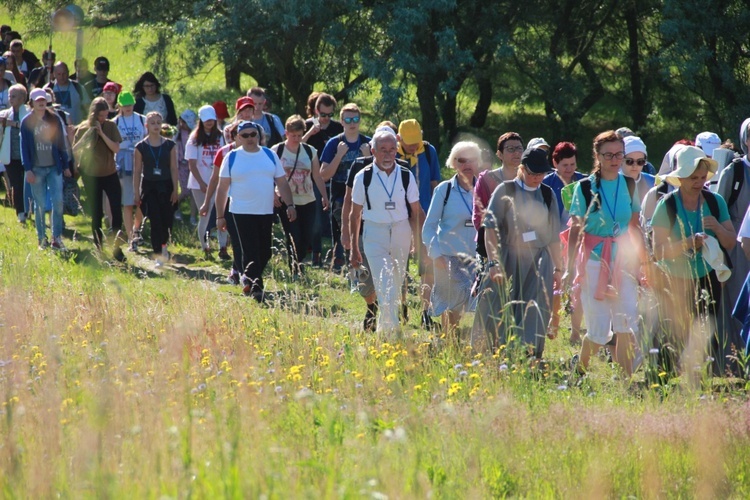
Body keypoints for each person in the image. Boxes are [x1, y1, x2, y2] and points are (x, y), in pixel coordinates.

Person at [567, 130, 646, 377]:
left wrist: (646, 262)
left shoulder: (630, 184)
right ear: (598, 156)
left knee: (626, 325)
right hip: (593, 262)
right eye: (608, 154)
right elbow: (576, 231)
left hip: (623, 261)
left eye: (618, 154)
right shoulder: (584, 187)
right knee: (600, 331)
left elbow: (634, 226)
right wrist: (570, 269)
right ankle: (578, 373)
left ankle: (625, 380)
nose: (614, 159)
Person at [651, 146, 736, 375]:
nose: (699, 183)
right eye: (692, 178)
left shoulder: (715, 201)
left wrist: (717, 227)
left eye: (701, 177)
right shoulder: (666, 205)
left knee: (704, 333)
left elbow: (730, 242)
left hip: (708, 279)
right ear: (679, 178)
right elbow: (657, 251)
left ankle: (698, 383)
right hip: (675, 280)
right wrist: (687, 244)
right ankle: (663, 383)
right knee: (672, 334)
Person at [472, 148, 562, 359]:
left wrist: (559, 268)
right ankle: (485, 352)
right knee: (493, 303)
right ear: (521, 169)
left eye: (541, 174)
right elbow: (490, 229)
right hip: (507, 255)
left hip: (539, 258)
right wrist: (493, 263)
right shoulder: (505, 190)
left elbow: (554, 237)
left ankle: (527, 354)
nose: (536, 178)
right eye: (532, 173)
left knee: (535, 307)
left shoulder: (548, 194)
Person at [350, 128, 422, 335]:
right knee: (383, 280)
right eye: (383, 150)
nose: (388, 154)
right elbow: (354, 215)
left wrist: (416, 240)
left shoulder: (406, 176)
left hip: (401, 230)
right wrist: (354, 248)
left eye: (392, 150)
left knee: (397, 282)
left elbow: (415, 211)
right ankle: (391, 332)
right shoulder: (363, 177)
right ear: (373, 151)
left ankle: (385, 327)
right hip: (374, 232)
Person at [215, 121, 297, 302]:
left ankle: (247, 277)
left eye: (253, 134)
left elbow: (282, 182)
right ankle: (256, 287)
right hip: (240, 211)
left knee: (265, 252)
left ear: (259, 136)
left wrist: (290, 205)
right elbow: (222, 189)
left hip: (266, 211)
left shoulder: (269, 155)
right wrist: (220, 215)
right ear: (237, 137)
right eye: (245, 135)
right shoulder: (232, 157)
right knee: (250, 249)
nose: (250, 138)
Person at [422, 141, 480, 333]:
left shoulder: (485, 189)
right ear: (454, 163)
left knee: (470, 304)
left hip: (477, 258)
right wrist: (436, 254)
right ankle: (449, 342)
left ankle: (456, 340)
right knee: (451, 305)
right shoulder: (444, 190)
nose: (467, 165)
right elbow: (429, 227)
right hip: (448, 257)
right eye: (462, 160)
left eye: (472, 160)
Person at [396, 118, 442, 327]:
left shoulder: (429, 151)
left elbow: (435, 183)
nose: (414, 146)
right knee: (400, 265)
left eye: (417, 141)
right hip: (399, 218)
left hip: (424, 217)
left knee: (427, 265)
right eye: (409, 142)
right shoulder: (391, 153)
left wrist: (437, 213)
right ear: (399, 139)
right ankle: (401, 307)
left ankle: (426, 312)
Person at [271, 115, 329, 275]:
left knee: (306, 236)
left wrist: (324, 196)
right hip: (286, 200)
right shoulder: (277, 150)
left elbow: (317, 176)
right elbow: (268, 175)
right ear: (286, 133)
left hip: (308, 199)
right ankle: (295, 267)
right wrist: (273, 194)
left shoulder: (310, 152)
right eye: (293, 135)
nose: (296, 139)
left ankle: (300, 260)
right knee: (293, 235)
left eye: (299, 135)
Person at [714, 118, 750, 372]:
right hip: (737, 249)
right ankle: (735, 364)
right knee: (738, 306)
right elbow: (719, 209)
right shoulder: (735, 172)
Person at [542, 141, 585, 343]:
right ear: (555, 163)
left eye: (572, 164)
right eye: (564, 165)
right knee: (556, 283)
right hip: (555, 241)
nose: (569, 169)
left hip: (579, 241)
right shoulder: (547, 183)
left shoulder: (583, 182)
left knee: (578, 286)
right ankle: (555, 323)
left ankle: (575, 331)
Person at [320, 103, 371, 271]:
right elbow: (324, 174)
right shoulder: (334, 144)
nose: (352, 123)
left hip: (365, 195)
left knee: (362, 233)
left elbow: (377, 173)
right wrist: (339, 155)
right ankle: (348, 265)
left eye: (355, 119)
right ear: (341, 121)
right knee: (346, 231)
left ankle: (359, 267)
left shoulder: (368, 143)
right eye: (348, 119)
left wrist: (368, 157)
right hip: (340, 194)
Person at [73, 97, 124, 256]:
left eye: (105, 115)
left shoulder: (110, 126)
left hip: (109, 172)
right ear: (93, 114)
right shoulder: (83, 128)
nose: (103, 119)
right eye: (100, 116)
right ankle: (98, 246)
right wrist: (90, 133)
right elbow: (75, 149)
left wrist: (101, 133)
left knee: (116, 209)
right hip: (91, 175)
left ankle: (116, 245)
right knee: (96, 212)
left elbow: (116, 149)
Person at [20, 88, 70, 249]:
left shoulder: (54, 119)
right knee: (40, 204)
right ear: (32, 103)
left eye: (43, 99)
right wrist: (27, 168)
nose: (41, 102)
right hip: (36, 169)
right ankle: (42, 239)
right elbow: (24, 147)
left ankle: (56, 238)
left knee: (57, 201)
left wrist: (66, 165)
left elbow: (61, 143)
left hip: (54, 167)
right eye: (37, 100)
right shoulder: (26, 122)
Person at [303, 92, 343, 267]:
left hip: (333, 177)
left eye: (329, 115)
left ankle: (338, 255)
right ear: (315, 111)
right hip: (313, 178)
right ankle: (316, 255)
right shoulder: (307, 126)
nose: (326, 118)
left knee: (336, 218)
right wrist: (310, 132)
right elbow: (296, 146)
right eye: (323, 115)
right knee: (317, 219)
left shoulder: (337, 128)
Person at [133, 112, 178, 264]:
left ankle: (164, 246)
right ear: (146, 126)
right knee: (155, 220)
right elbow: (138, 171)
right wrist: (136, 192)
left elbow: (173, 168)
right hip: (149, 186)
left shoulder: (170, 145)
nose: (156, 126)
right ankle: (158, 253)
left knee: (166, 221)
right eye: (152, 123)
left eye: (159, 122)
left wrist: (175, 189)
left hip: (166, 185)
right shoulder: (140, 147)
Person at [473, 132, 524, 257]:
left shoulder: (530, 179)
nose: (516, 152)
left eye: (519, 148)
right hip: (492, 246)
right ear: (499, 154)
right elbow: (478, 217)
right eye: (510, 149)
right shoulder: (486, 179)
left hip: (523, 246)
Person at [186, 104, 227, 258]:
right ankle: (205, 247)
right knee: (205, 214)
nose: (209, 123)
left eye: (212, 119)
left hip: (219, 182)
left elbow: (225, 156)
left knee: (221, 214)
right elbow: (191, 164)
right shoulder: (194, 138)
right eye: (206, 120)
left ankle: (223, 247)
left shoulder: (221, 135)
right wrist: (202, 183)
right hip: (199, 184)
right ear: (201, 121)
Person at [113, 90, 147, 250]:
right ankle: (130, 238)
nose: (128, 107)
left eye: (130, 104)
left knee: (141, 200)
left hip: (141, 160)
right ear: (119, 105)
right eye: (124, 105)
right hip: (124, 164)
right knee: (127, 202)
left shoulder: (142, 119)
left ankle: (136, 229)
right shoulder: (115, 122)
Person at [0, 84, 28, 222]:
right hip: (11, 156)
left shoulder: (29, 113)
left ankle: (29, 209)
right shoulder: (5, 114)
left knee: (27, 184)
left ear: (23, 98)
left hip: (26, 156)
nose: (11, 98)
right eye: (10, 95)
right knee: (16, 185)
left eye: (14, 96)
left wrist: (13, 124)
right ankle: (20, 213)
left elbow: (29, 126)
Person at [175, 109, 198, 224]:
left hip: (193, 164)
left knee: (194, 190)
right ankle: (174, 206)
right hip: (181, 165)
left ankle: (193, 216)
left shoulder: (195, 134)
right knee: (185, 190)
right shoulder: (177, 133)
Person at [621, 136, 654, 205]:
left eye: (640, 161)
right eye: (629, 161)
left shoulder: (652, 182)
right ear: (621, 160)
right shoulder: (613, 182)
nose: (635, 166)